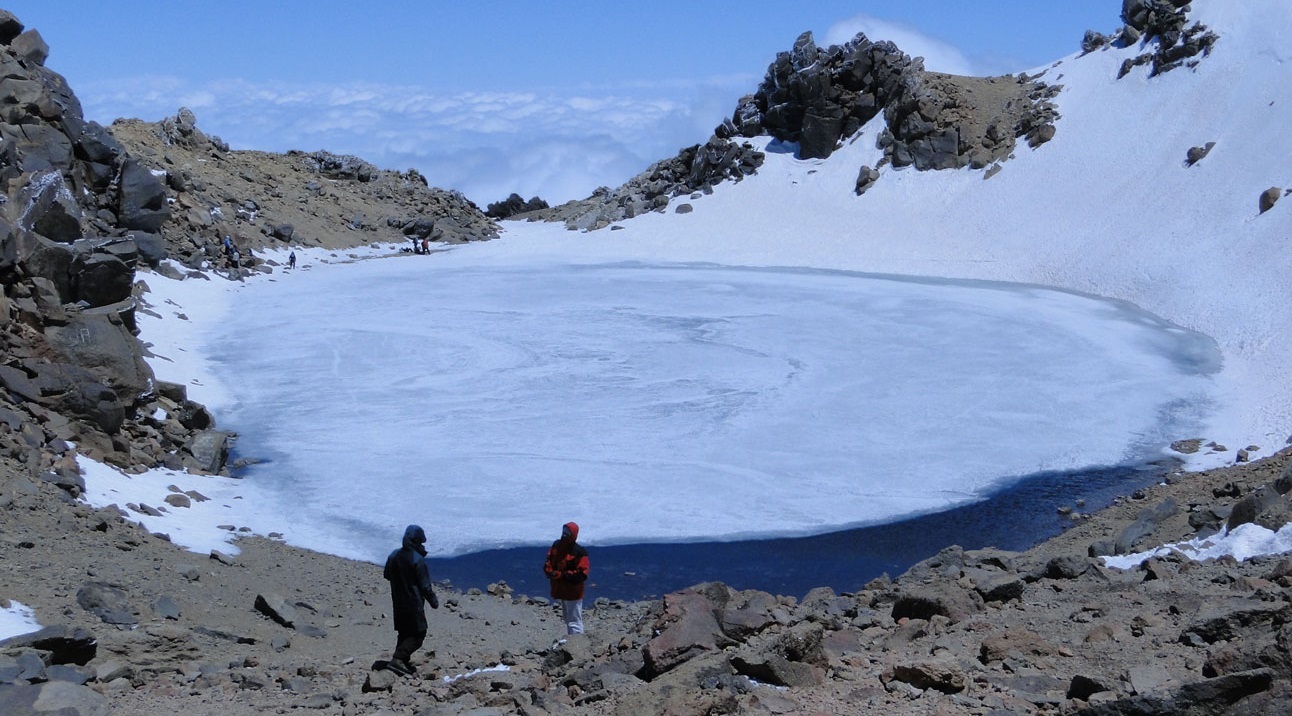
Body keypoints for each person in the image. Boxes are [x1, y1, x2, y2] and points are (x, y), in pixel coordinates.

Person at [383, 524, 439, 675]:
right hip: (413, 603)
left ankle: (402, 658)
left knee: (404, 631)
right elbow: (425, 586)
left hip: (398, 601)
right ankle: (398, 659)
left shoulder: (394, 555)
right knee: (418, 634)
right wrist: (433, 601)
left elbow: (387, 574)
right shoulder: (417, 560)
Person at [543, 521, 589, 635]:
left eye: (568, 532)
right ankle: (571, 641)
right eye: (564, 531)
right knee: (567, 618)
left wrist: (562, 575)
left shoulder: (579, 552)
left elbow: (582, 574)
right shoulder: (557, 546)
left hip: (573, 592)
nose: (564, 534)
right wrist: (548, 570)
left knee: (574, 620)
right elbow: (549, 559)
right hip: (561, 589)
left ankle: (577, 644)